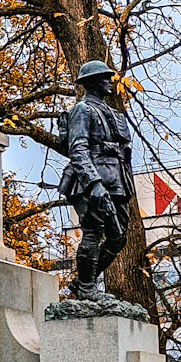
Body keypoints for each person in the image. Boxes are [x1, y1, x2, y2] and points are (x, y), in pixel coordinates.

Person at [58, 62, 135, 299]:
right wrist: (93, 183)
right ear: (92, 82)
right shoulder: (82, 109)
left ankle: (81, 282)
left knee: (118, 236)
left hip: (117, 181)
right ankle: (88, 288)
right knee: (92, 232)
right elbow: (78, 148)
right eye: (103, 78)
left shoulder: (114, 114)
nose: (109, 81)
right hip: (92, 180)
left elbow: (124, 152)